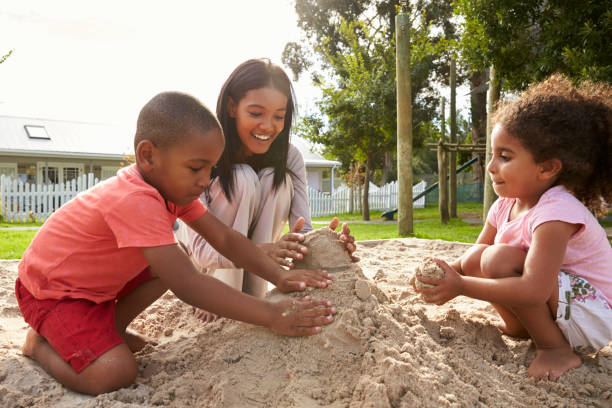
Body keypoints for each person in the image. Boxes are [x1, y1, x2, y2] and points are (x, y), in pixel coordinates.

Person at [15, 91, 337, 396]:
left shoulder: (167, 187)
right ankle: (39, 345)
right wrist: (270, 314)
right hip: (52, 293)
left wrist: (278, 276)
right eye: (196, 167)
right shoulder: (134, 199)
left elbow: (224, 237)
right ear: (148, 155)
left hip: (90, 288)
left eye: (211, 168)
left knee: (171, 260)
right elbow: (187, 283)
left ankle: (110, 327)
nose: (205, 180)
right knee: (116, 371)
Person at [415, 74, 612, 382]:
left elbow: (533, 288)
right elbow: (471, 261)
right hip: (558, 305)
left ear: (547, 168)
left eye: (505, 157)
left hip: (591, 316)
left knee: (498, 260)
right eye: (491, 155)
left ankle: (556, 349)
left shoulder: (556, 212)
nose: (491, 167)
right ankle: (523, 328)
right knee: (477, 256)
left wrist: (462, 287)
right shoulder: (505, 204)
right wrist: (440, 275)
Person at [175, 58, 358, 322]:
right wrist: (259, 251)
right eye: (256, 113)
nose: (268, 126)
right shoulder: (205, 152)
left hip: (259, 265)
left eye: (279, 116)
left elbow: (302, 228)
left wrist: (331, 245)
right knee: (241, 178)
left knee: (276, 178)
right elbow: (201, 252)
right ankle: (220, 293)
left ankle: (254, 293)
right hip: (207, 267)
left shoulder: (289, 157)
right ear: (232, 107)